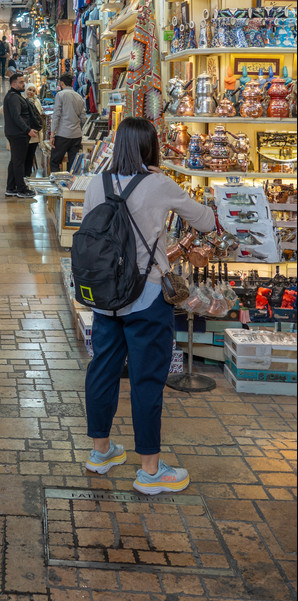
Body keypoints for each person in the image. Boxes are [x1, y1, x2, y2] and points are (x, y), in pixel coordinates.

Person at [82, 117, 215, 494]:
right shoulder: (159, 184)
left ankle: (100, 452)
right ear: (151, 146)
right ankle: (151, 472)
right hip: (146, 297)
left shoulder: (98, 182)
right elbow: (204, 220)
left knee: (102, 371)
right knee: (146, 380)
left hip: (106, 298)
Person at [2, 72, 40, 197]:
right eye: (21, 82)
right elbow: (16, 117)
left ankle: (11, 187)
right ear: (14, 84)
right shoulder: (13, 97)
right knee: (19, 162)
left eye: (24, 82)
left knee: (15, 161)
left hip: (17, 133)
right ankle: (21, 189)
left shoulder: (15, 96)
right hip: (18, 134)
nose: (24, 84)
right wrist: (27, 130)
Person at [51, 73, 87, 172]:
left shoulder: (60, 95)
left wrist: (52, 134)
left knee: (55, 161)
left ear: (62, 83)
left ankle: (57, 184)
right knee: (73, 163)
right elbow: (83, 118)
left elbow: (56, 115)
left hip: (63, 134)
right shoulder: (79, 97)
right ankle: (71, 185)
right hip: (76, 135)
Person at [24, 84, 46, 179]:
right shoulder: (21, 101)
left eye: (33, 91)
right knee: (23, 157)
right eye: (29, 89)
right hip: (24, 133)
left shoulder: (36, 102)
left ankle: (27, 176)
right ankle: (22, 176)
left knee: (30, 157)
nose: (31, 92)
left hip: (35, 135)